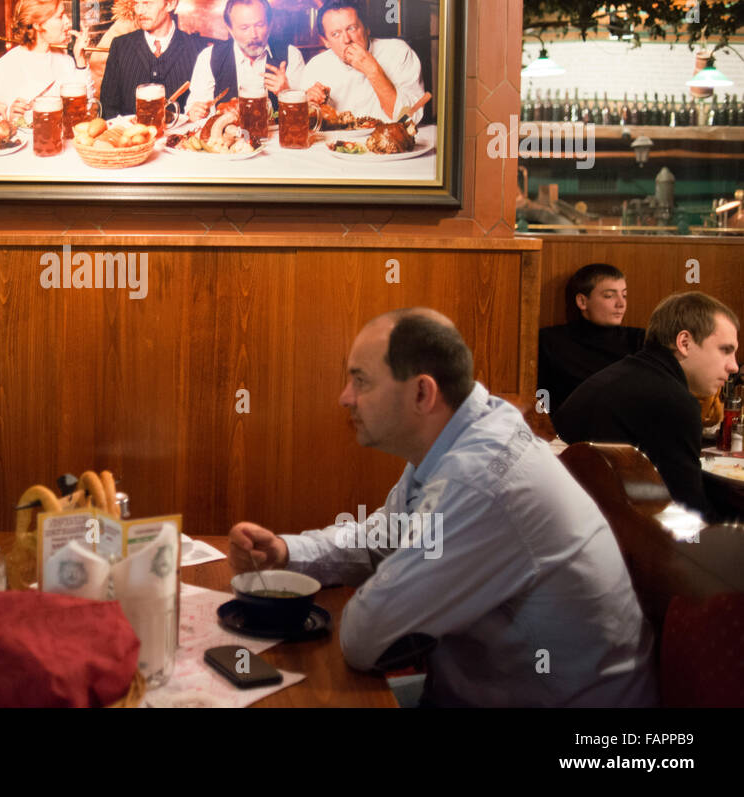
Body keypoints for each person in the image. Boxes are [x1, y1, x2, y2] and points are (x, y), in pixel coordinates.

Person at [228, 308, 657, 707]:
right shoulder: (460, 437)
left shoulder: (480, 479)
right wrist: (288, 552)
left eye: (361, 381)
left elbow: (365, 636)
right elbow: (385, 537)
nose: (345, 397)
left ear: (422, 392)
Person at [555, 292, 740, 520]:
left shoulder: (625, 374)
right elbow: (689, 514)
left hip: (572, 520)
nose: (734, 366)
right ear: (684, 343)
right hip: (612, 532)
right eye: (725, 350)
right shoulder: (673, 401)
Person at [537, 263, 645, 418]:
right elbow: (540, 397)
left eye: (624, 295)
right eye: (609, 296)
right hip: (568, 428)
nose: (621, 304)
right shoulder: (550, 341)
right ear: (582, 301)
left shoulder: (639, 340)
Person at [0, 0, 93, 123]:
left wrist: (80, 59)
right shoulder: (5, 66)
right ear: (38, 24)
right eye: (60, 16)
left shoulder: (64, 60)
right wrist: (8, 117)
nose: (67, 21)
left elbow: (85, 108)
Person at [98, 0, 207, 120]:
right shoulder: (120, 46)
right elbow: (108, 110)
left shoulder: (197, 49)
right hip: (130, 134)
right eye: (136, 4)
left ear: (170, 4)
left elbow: (203, 107)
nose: (140, 11)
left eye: (147, 4)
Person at [184, 0, 305, 122]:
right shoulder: (209, 57)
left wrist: (287, 92)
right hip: (228, 134)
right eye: (244, 28)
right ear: (230, 29)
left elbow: (304, 116)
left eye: (259, 25)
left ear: (270, 25)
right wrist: (195, 112)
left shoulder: (291, 55)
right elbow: (195, 108)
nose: (253, 35)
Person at [301, 0, 425, 122]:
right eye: (336, 34)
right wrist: (310, 107)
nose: (346, 40)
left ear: (367, 28)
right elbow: (306, 124)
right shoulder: (316, 67)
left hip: (388, 134)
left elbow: (410, 118)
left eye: (352, 28)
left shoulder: (398, 52)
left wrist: (373, 71)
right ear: (325, 41)